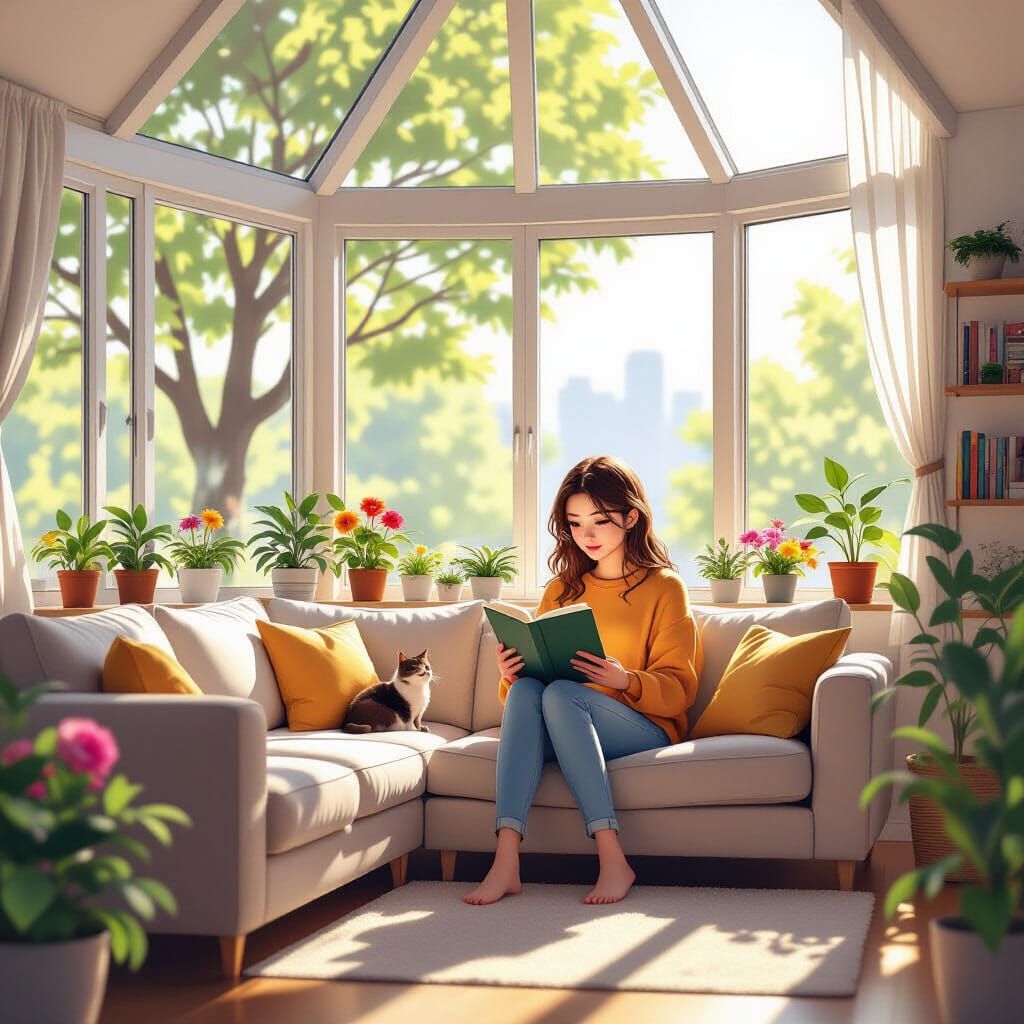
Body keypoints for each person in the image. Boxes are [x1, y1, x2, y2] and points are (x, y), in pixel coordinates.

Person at [463, 455, 702, 907]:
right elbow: (523, 698)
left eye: (599, 521)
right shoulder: (562, 589)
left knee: (562, 694)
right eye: (574, 523)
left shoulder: (665, 587)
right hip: (563, 717)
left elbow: (679, 690)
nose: (586, 535)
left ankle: (613, 859)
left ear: (631, 518)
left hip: (641, 725)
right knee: (534, 689)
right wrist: (511, 674)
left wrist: (624, 679)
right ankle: (506, 861)